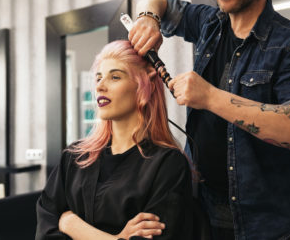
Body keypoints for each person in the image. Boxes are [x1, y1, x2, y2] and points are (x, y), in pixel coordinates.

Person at [128, 0, 290, 239]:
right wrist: (148, 19)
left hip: (267, 226)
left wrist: (210, 97)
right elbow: (154, 0)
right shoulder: (208, 23)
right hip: (202, 213)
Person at [35, 40, 193, 240]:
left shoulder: (168, 164)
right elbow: (45, 231)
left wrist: (72, 225)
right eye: (98, 78)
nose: (100, 86)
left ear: (144, 85)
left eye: (115, 77)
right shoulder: (74, 157)